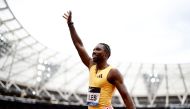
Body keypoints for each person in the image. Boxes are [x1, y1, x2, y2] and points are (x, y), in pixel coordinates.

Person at [63, 11, 136, 109]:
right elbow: (79, 45)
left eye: (98, 49)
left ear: (106, 54)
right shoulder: (91, 65)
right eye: (93, 49)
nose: (93, 51)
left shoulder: (112, 72)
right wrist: (70, 25)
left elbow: (126, 97)